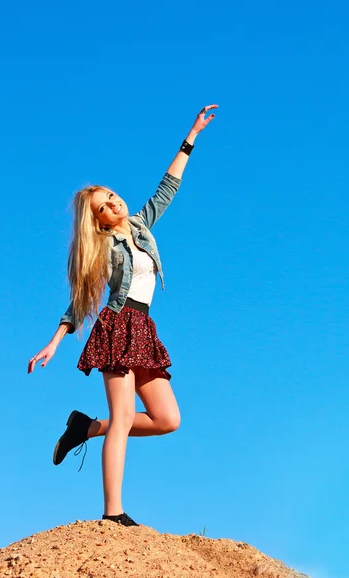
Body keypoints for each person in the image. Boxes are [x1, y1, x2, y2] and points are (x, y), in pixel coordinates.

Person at [27, 104, 218, 527]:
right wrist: (55, 342)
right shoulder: (100, 253)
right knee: (125, 417)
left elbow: (167, 188)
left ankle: (87, 427)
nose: (112, 204)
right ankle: (113, 513)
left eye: (112, 196)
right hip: (117, 327)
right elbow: (80, 303)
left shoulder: (141, 226)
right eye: (103, 207)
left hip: (144, 328)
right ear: (95, 222)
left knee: (169, 419)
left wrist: (191, 136)